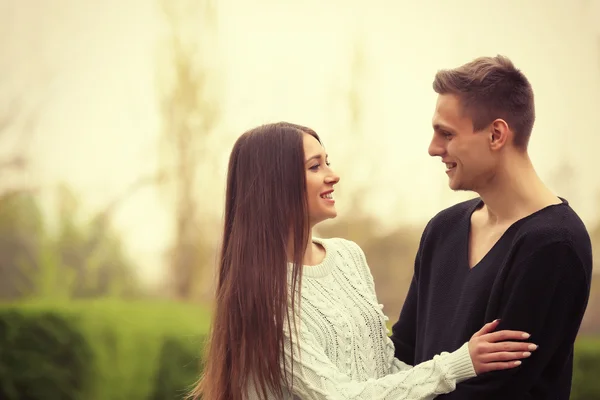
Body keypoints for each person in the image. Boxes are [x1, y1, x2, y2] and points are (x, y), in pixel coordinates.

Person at [188, 122, 537, 400]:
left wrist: (466, 342)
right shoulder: (260, 295)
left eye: (327, 161)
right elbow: (337, 395)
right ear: (274, 185)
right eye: (314, 166)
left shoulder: (347, 256)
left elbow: (382, 369)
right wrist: (459, 364)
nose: (332, 174)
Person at [390, 55, 593, 399]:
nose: (433, 148)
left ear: (496, 134)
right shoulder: (442, 229)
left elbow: (495, 391)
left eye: (446, 133)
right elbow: (402, 356)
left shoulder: (554, 245)